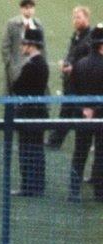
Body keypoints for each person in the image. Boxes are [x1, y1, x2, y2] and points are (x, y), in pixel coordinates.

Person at [47, 6, 93, 149]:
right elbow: (73, 55)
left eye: (78, 17)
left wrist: (72, 67)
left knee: (75, 114)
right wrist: (65, 63)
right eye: (74, 17)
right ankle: (55, 142)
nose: (75, 20)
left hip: (81, 85)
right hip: (71, 82)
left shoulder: (90, 38)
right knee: (67, 112)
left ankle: (59, 142)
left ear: (86, 18)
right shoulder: (77, 36)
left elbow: (90, 61)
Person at [11, 27, 49, 197]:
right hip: (38, 113)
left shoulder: (31, 66)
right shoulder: (43, 64)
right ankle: (37, 186)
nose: (21, 47)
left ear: (31, 45)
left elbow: (17, 87)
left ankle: (28, 186)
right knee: (37, 151)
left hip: (28, 114)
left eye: (24, 43)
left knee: (27, 151)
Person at [69, 24, 103, 202]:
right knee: (101, 154)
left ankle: (74, 191)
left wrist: (84, 108)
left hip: (82, 116)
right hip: (101, 117)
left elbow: (72, 91)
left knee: (79, 152)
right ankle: (99, 192)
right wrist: (96, 109)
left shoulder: (79, 64)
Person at [1, 0, 45, 94]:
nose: (29, 10)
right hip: (17, 69)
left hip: (34, 69)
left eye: (31, 7)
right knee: (14, 96)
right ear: (21, 9)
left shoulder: (38, 25)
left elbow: (43, 47)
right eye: (26, 7)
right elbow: (5, 47)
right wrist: (11, 66)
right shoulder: (12, 24)